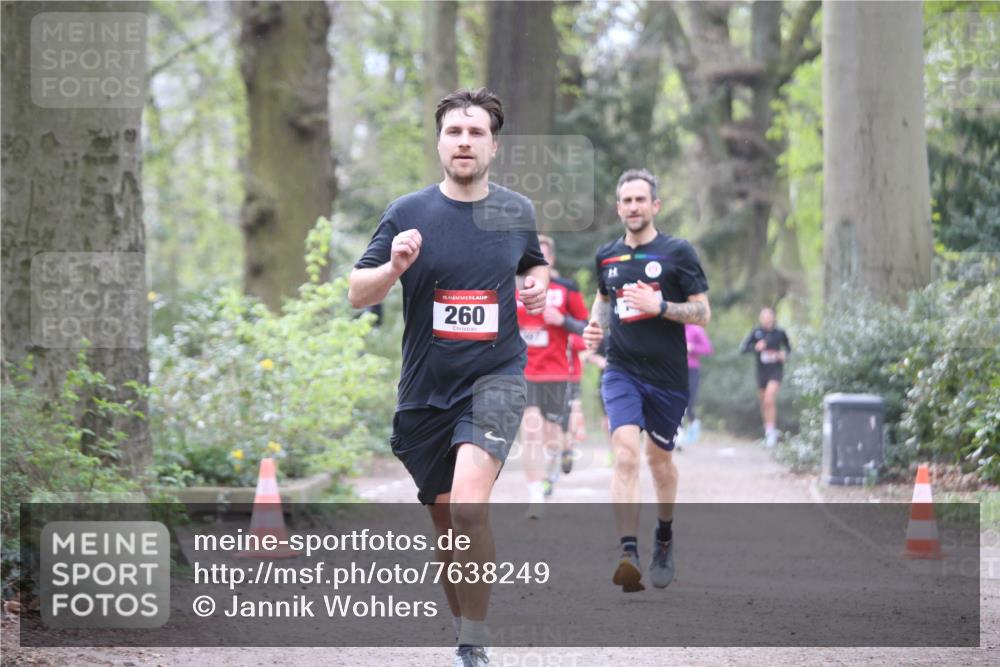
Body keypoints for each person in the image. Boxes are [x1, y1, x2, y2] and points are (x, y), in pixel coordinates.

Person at [348, 87, 548, 666]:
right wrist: (393, 267)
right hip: (425, 390)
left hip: (496, 380)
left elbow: (531, 263)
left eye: (476, 133)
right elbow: (358, 293)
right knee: (446, 524)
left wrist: (535, 281)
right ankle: (465, 628)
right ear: (440, 142)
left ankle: (474, 642)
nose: (465, 142)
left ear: (494, 146)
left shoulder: (516, 212)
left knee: (467, 509)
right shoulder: (408, 213)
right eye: (455, 132)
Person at [583, 169, 710, 593]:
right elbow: (603, 301)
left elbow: (701, 312)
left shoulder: (678, 253)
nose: (633, 207)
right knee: (624, 455)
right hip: (621, 371)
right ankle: (628, 553)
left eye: (641, 200)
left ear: (655, 205)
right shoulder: (607, 257)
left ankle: (665, 535)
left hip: (668, 378)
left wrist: (661, 306)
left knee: (659, 461)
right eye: (627, 201)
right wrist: (593, 328)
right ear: (619, 207)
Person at [516, 235, 588, 515]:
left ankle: (551, 468)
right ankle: (536, 496)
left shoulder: (566, 289)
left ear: (552, 260)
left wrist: (564, 321)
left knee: (552, 435)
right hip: (524, 371)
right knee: (530, 430)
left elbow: (587, 326)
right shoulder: (513, 287)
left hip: (557, 372)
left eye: (542, 257)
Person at [740, 308, 791, 448]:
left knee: (769, 398)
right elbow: (743, 348)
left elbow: (789, 349)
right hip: (762, 372)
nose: (767, 320)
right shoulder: (756, 332)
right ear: (761, 319)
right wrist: (756, 347)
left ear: (773, 318)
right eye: (764, 317)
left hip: (776, 371)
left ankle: (772, 433)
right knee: (764, 402)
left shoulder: (780, 333)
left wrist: (784, 354)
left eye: (769, 317)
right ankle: (768, 432)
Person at [681, 323, 713, 446]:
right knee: (676, 400)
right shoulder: (672, 327)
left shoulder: (695, 330)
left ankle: (693, 424)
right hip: (675, 369)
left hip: (691, 370)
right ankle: (678, 432)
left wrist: (692, 347)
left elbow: (708, 349)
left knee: (689, 402)